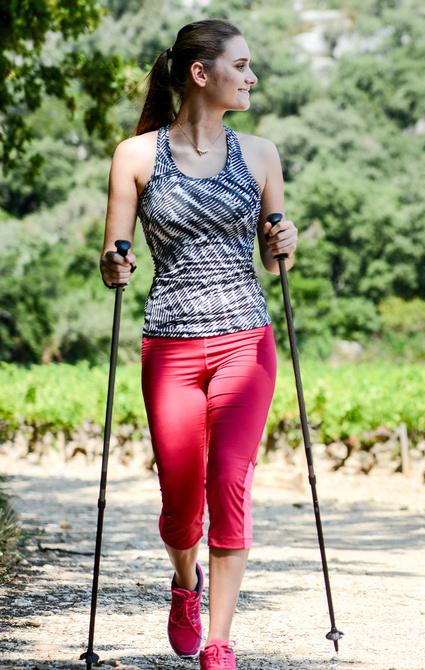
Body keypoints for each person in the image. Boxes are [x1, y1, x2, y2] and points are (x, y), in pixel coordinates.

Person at [98, 19, 296, 670]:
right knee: (181, 505)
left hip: (246, 343)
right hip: (171, 348)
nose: (252, 76)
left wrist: (285, 243)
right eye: (241, 65)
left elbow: (275, 263)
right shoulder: (136, 157)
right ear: (200, 74)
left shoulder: (261, 154)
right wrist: (115, 263)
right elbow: (113, 254)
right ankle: (186, 583)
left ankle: (219, 639)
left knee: (229, 483)